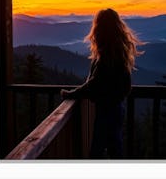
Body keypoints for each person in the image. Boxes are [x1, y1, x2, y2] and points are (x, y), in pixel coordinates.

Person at [60, 8, 143, 159]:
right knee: (114, 149)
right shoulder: (118, 54)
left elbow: (94, 83)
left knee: (97, 152)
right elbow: (125, 87)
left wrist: (71, 94)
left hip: (107, 110)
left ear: (99, 28)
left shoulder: (107, 57)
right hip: (117, 108)